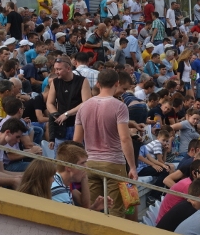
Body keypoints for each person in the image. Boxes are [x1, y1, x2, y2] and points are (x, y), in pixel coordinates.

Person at [73, 68, 138, 219]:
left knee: (92, 207)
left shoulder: (83, 106)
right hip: (113, 163)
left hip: (90, 162)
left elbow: (76, 141)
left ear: (97, 83)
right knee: (116, 210)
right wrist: (132, 167)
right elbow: (125, 138)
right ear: (117, 83)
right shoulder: (119, 106)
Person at [47, 55, 91, 146]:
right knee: (60, 155)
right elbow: (49, 103)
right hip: (61, 125)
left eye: (59, 69)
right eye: (55, 69)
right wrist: (56, 114)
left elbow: (86, 102)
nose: (56, 72)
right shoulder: (55, 82)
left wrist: (67, 114)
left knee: (77, 154)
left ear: (68, 68)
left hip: (77, 124)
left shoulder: (82, 81)